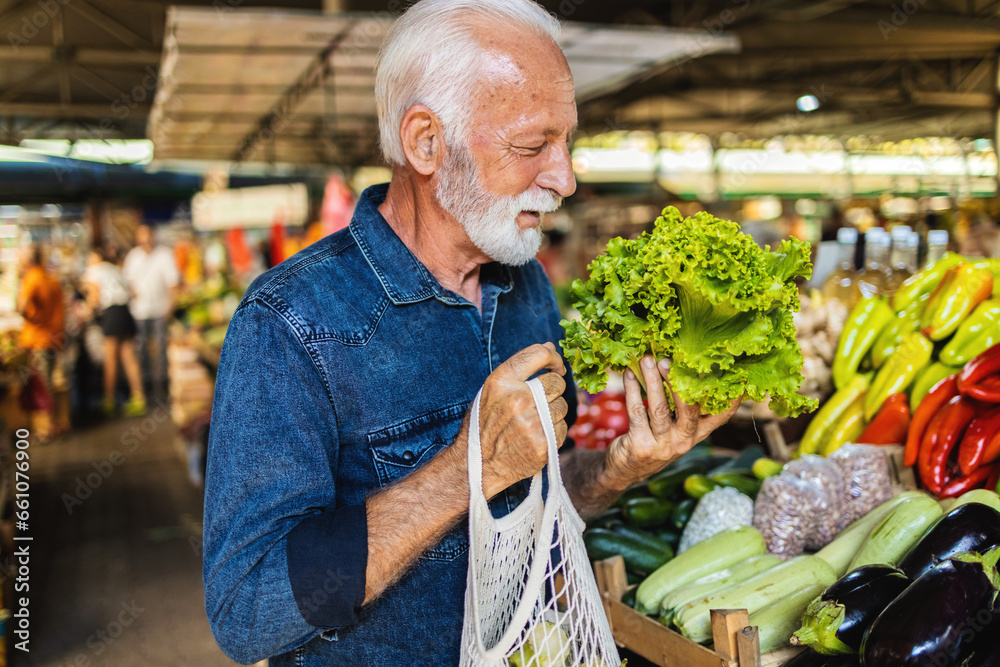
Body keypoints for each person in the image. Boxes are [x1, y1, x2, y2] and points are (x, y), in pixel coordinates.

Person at [203, 1, 739, 664]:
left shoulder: (525, 285)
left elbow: (532, 507)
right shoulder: (290, 323)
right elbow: (246, 609)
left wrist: (617, 468)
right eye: (530, 145)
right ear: (426, 142)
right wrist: (465, 468)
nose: (565, 178)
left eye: (567, 142)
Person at [81, 247, 146, 417]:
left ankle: (109, 400)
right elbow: (134, 293)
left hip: (112, 313)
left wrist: (86, 312)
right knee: (129, 356)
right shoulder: (115, 269)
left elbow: (94, 297)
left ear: (95, 258)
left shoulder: (93, 270)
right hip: (126, 312)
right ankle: (139, 399)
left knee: (110, 358)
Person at [123, 224, 179, 403]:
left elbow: (172, 282)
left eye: (148, 235)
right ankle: (145, 383)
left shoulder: (164, 254)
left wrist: (171, 305)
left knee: (162, 347)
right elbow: (128, 281)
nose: (145, 239)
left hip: (160, 310)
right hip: (139, 311)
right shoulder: (133, 257)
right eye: (142, 235)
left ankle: (162, 385)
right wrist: (132, 292)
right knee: (142, 349)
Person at [17, 244, 65, 439]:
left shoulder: (33, 277)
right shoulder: (50, 278)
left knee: (41, 386)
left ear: (29, 260)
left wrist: (30, 319)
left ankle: (45, 429)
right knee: (48, 383)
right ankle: (52, 423)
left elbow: (21, 305)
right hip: (52, 339)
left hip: (38, 340)